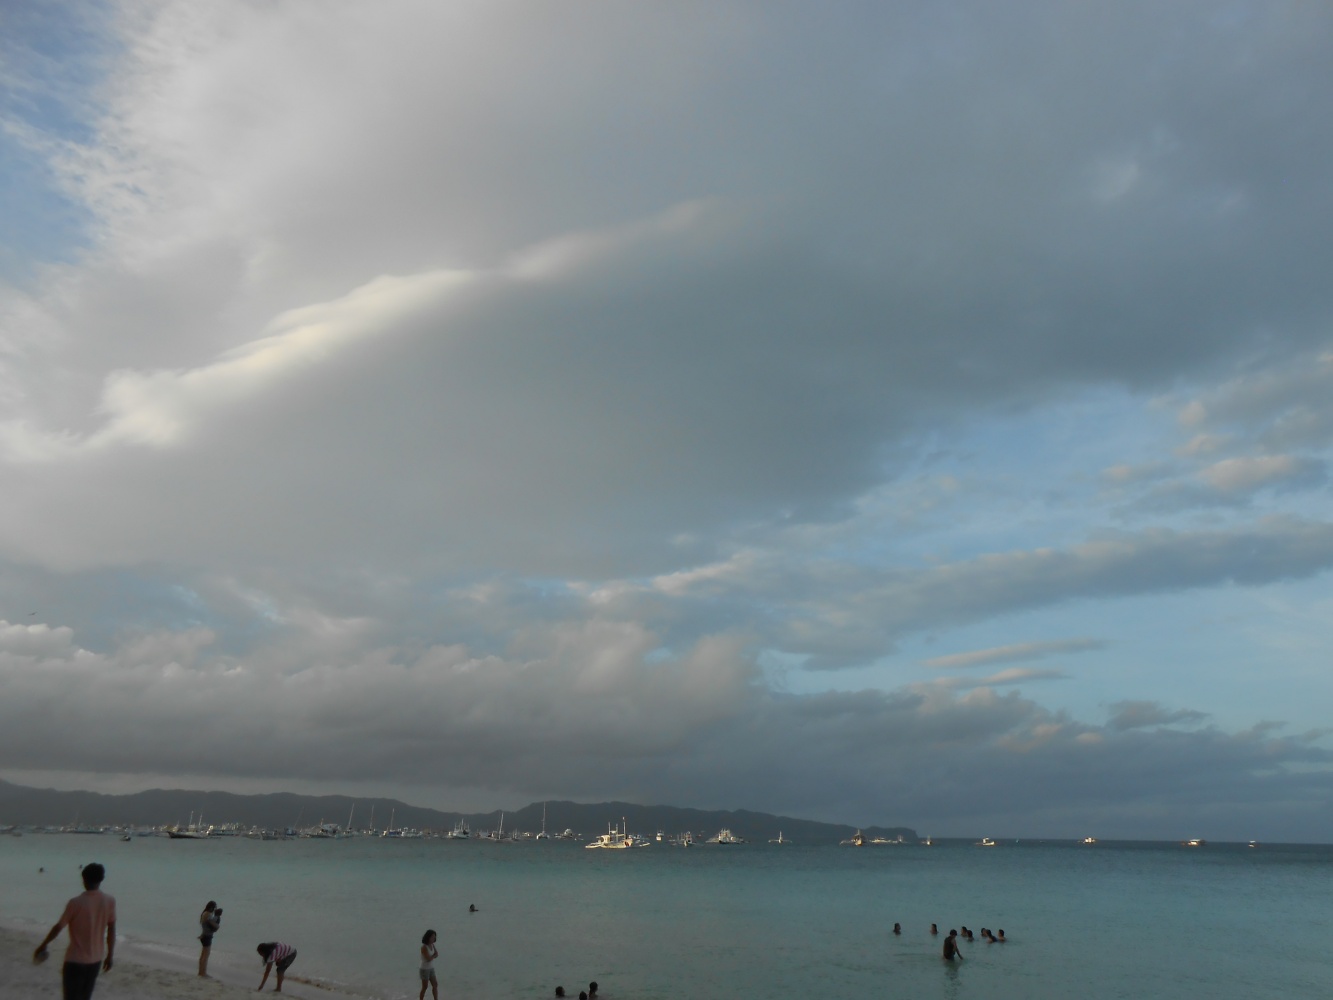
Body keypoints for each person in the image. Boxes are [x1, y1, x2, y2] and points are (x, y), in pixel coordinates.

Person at [32, 862, 116, 1000]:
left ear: (83, 880)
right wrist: (110, 955)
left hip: (75, 960)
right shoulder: (109, 901)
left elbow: (58, 927)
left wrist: (43, 944)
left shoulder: (76, 903)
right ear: (101, 879)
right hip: (95, 960)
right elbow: (111, 930)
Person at [198, 901, 222, 977]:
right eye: (214, 908)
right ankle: (203, 973)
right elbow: (213, 924)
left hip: (204, 935)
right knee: (206, 956)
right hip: (207, 936)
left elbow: (205, 926)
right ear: (211, 907)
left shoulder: (204, 913)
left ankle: (201, 972)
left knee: (203, 955)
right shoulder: (208, 915)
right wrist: (217, 917)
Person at [419, 929, 439, 1000]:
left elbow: (436, 954)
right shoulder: (424, 947)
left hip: (431, 968)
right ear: (428, 937)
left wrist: (433, 956)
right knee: (425, 987)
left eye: (434, 937)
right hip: (424, 969)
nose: (433, 938)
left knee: (435, 984)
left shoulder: (432, 945)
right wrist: (433, 956)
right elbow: (428, 958)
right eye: (432, 937)